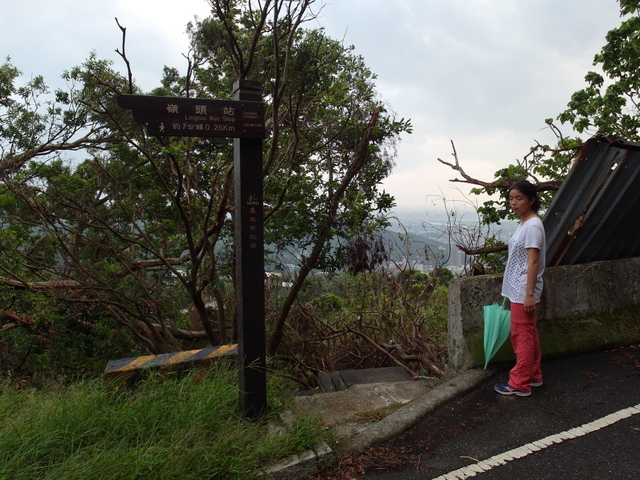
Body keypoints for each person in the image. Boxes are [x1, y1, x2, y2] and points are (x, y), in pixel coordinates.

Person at [494, 180, 545, 397]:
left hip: (523, 290)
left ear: (531, 200)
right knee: (528, 334)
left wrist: (529, 294)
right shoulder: (526, 223)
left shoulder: (532, 226)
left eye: (519, 198)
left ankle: (519, 383)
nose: (514, 203)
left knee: (521, 336)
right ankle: (533, 376)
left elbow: (533, 262)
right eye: (511, 198)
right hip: (520, 289)